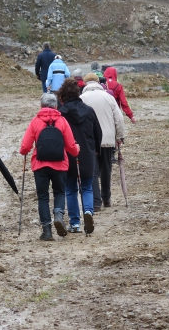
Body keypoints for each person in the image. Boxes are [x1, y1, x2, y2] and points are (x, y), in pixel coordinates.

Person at [19, 93, 80, 241]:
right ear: (56, 105)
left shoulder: (35, 122)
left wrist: (24, 151)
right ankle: (58, 214)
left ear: (41, 106)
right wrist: (77, 149)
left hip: (40, 165)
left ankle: (47, 231)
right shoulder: (62, 121)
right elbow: (71, 147)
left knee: (43, 197)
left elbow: (25, 147)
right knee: (59, 192)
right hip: (60, 164)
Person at [57, 79, 102, 234]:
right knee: (87, 188)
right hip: (87, 154)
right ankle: (88, 212)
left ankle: (75, 223)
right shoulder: (89, 110)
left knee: (70, 190)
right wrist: (96, 151)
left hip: (68, 156)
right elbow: (98, 133)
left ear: (62, 95)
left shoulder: (61, 113)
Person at [80, 73, 125, 211]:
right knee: (106, 169)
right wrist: (119, 136)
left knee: (92, 171)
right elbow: (119, 118)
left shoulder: (82, 98)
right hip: (107, 139)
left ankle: (96, 202)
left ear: (85, 83)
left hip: (90, 141)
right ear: (98, 82)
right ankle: (107, 198)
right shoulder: (108, 97)